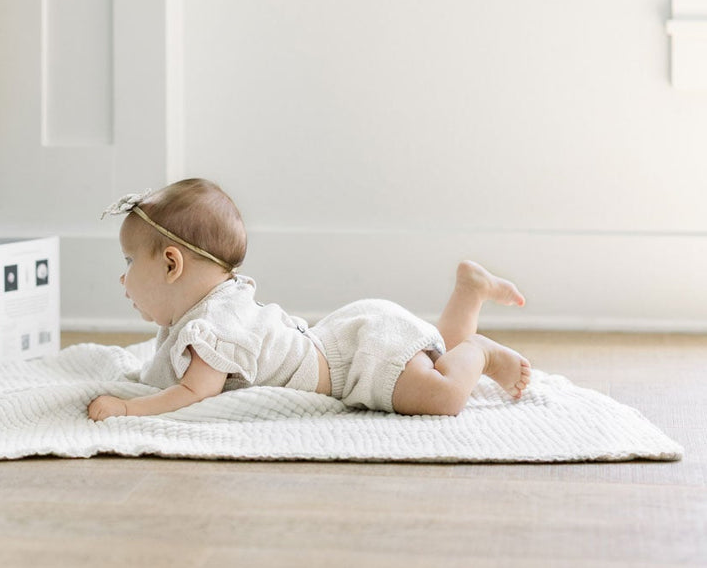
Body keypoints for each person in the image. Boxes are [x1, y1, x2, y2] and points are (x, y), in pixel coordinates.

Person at [87, 178, 530, 421]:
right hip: (346, 339)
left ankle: (482, 352)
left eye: (129, 262)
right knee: (436, 361)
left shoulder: (216, 329)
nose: (122, 277)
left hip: (361, 360)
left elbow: (190, 394)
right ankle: (469, 293)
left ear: (171, 265)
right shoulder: (212, 306)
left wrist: (128, 407)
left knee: (445, 396)